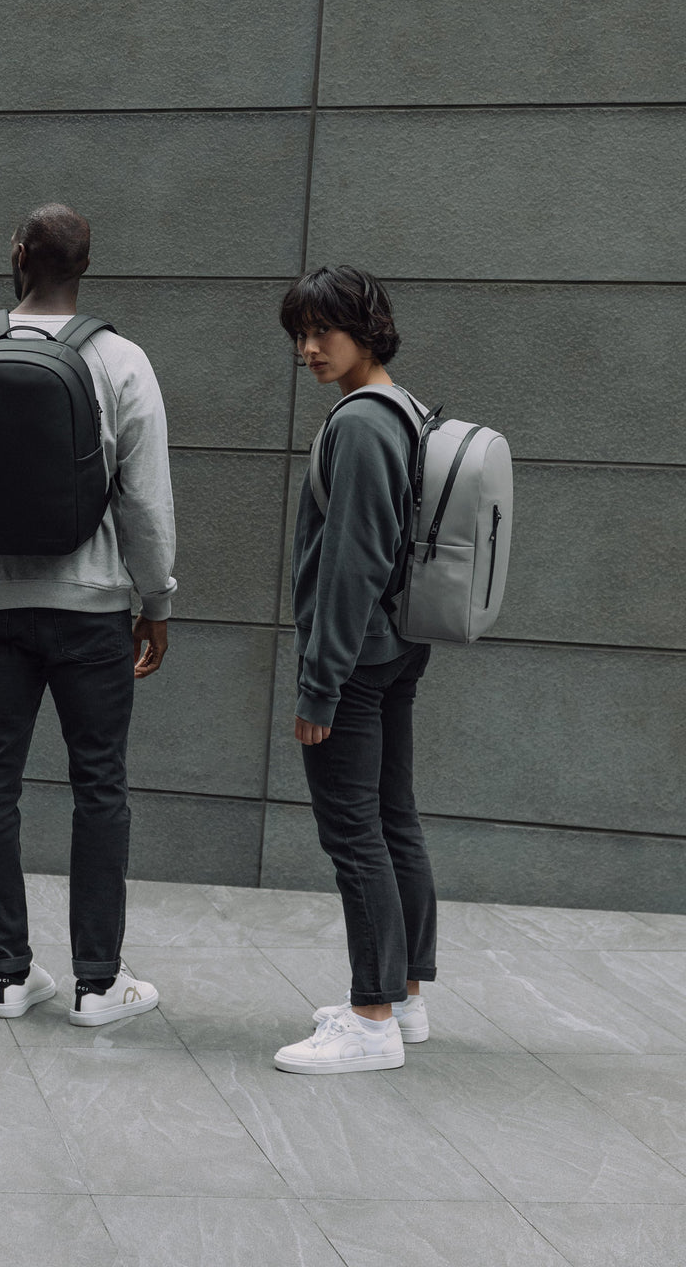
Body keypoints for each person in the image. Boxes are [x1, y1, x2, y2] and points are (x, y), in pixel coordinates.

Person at [0, 203, 176, 1024]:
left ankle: (7, 976)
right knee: (99, 787)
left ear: (18, 253)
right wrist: (157, 599)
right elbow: (146, 498)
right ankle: (98, 985)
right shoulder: (122, 361)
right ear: (86, 266)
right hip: (94, 608)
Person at [273, 265, 437, 1074]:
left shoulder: (364, 425)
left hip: (358, 658)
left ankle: (371, 1018)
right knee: (391, 817)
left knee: (355, 835)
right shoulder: (403, 410)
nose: (308, 349)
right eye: (299, 335)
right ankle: (402, 995)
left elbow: (351, 564)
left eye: (322, 332)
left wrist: (319, 682)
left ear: (366, 330)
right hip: (393, 648)